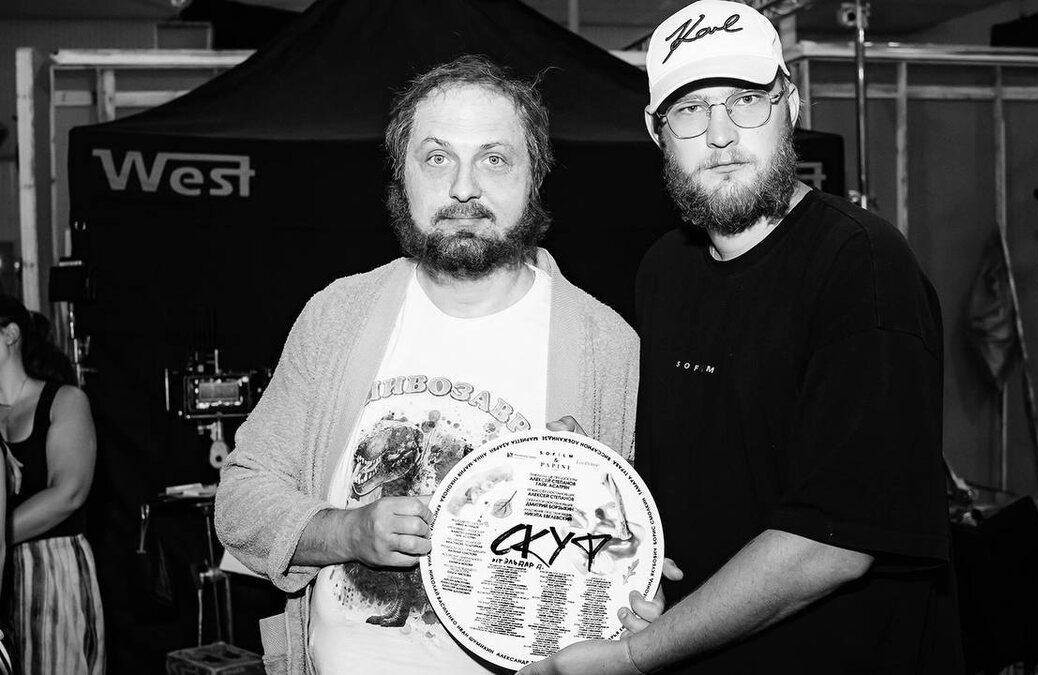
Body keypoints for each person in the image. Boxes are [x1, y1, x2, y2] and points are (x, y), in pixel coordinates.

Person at [518, 2, 961, 674]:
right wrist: (600, 480)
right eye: (690, 110)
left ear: (791, 105)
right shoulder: (665, 268)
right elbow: (706, 468)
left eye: (746, 101)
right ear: (656, 131)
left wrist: (635, 656)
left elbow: (831, 543)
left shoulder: (862, 266)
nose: (721, 135)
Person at [215, 55, 649, 675]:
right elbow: (240, 501)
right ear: (403, 176)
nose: (464, 188)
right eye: (438, 158)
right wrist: (346, 532)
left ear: (534, 177)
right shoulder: (336, 316)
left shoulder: (605, 346)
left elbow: (626, 549)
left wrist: (632, 585)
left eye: (494, 159)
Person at [0, 297, 105, 675]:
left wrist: (1, 534)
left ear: (10, 334)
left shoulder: (65, 400)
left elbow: (68, 493)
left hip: (51, 568)